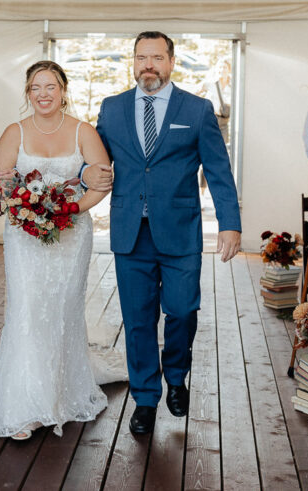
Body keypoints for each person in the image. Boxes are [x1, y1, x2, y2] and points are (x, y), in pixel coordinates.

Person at [85, 31, 241, 435]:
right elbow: (95, 160)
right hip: (130, 232)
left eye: (156, 57)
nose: (148, 65)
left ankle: (176, 374)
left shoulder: (198, 109)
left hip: (180, 231)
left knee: (183, 310)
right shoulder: (113, 108)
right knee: (137, 320)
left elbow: (218, 170)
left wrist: (230, 223)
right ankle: (145, 399)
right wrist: (84, 176)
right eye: (141, 58)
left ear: (171, 62)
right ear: (133, 62)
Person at [0, 61, 113, 440]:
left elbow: (103, 182)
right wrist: (26, 209)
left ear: (63, 90)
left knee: (63, 308)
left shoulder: (83, 131)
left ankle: (61, 389)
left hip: (72, 235)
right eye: (36, 87)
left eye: (50, 86)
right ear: (27, 93)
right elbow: (1, 185)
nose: (43, 94)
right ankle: (24, 402)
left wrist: (70, 210)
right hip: (24, 237)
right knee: (27, 307)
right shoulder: (14, 133)